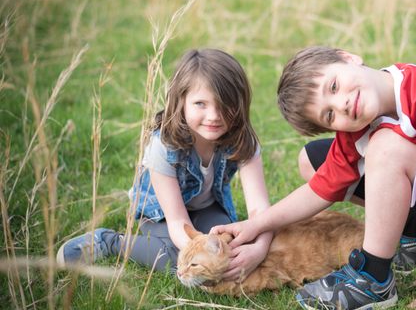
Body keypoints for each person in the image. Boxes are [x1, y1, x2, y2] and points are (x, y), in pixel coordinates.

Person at [212, 46, 416, 310]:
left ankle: (374, 278)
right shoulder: (361, 115)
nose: (342, 105)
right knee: (314, 162)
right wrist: (257, 224)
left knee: (386, 147)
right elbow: (322, 189)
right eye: (330, 116)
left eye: (333, 86)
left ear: (349, 58)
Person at [57, 49, 272, 281]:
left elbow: (260, 212)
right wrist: (198, 251)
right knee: (176, 255)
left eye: (224, 105)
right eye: (200, 103)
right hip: (159, 214)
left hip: (207, 207)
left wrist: (258, 250)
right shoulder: (163, 145)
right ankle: (109, 242)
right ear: (181, 102)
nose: (213, 116)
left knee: (226, 251)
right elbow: (177, 220)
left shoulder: (242, 140)